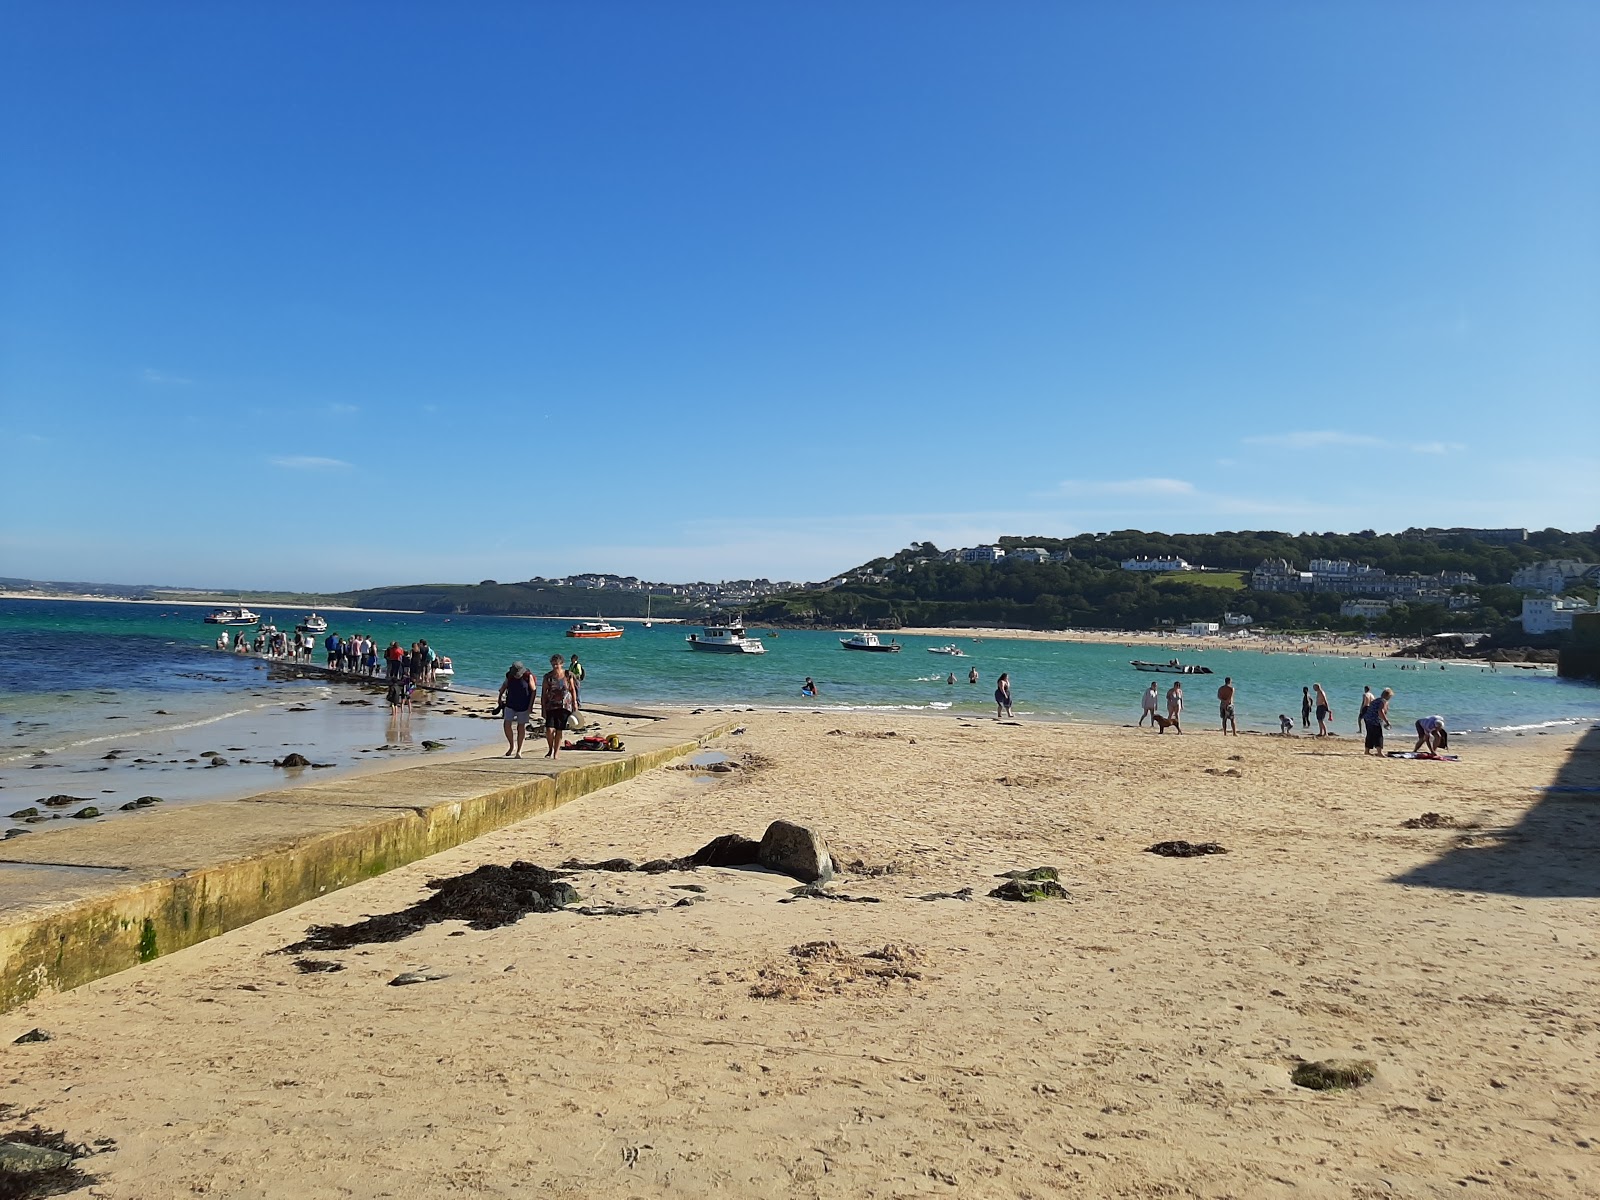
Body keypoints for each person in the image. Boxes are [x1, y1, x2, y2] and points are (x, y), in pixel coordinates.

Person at [541, 654, 576, 758]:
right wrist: (543, 708)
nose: (555, 666)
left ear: (562, 664)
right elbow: (543, 693)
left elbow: (572, 689)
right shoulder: (548, 677)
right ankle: (550, 748)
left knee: (559, 729)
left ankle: (556, 753)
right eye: (553, 664)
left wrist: (575, 704)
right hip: (551, 706)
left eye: (557, 664)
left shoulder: (567, 675)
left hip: (565, 706)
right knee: (549, 729)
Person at [497, 663, 534, 758]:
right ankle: (511, 746)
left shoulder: (527, 676)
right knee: (506, 724)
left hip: (524, 705)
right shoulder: (509, 676)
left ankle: (519, 751)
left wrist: (530, 706)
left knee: (520, 727)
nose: (516, 675)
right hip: (510, 703)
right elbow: (504, 687)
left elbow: (533, 690)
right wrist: (499, 698)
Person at [1363, 687, 1393, 756]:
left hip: (1367, 718)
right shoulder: (1383, 701)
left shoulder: (1376, 700)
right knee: (1378, 735)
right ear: (1388, 696)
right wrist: (1387, 721)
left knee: (1370, 735)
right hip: (1374, 720)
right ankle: (1379, 752)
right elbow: (1380, 711)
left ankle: (1367, 751)